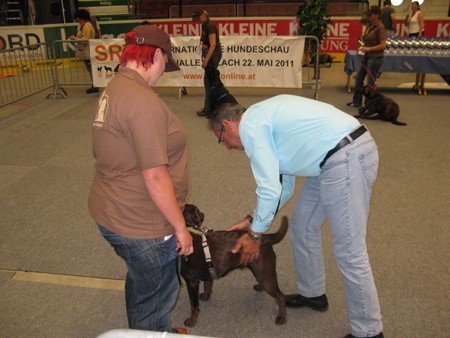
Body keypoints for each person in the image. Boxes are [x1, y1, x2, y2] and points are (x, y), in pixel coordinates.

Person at [209, 95, 384, 338]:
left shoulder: (251, 127)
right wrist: (252, 219)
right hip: (332, 158)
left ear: (227, 125)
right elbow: (283, 188)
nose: (228, 147)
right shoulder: (261, 119)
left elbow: (269, 189)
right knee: (302, 227)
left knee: (350, 251)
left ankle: (369, 332)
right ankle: (313, 294)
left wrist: (255, 235)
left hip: (346, 156)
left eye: (222, 140)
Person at [88, 25, 193, 333]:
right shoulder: (142, 101)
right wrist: (180, 229)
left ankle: (143, 327)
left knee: (142, 282)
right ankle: (149, 330)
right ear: (156, 55)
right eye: (165, 63)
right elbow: (155, 176)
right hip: (142, 222)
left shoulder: (116, 87)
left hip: (112, 209)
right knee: (157, 295)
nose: (163, 71)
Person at [347, 6, 386, 110]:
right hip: (366, 57)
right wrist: (361, 48)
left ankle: (369, 105)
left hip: (375, 58)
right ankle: (356, 102)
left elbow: (383, 45)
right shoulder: (370, 25)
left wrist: (368, 49)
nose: (368, 16)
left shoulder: (380, 27)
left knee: (370, 83)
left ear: (377, 15)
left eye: (370, 14)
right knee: (359, 78)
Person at [192, 8, 222, 118]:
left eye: (198, 18)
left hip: (213, 56)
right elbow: (209, 43)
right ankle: (211, 106)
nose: (197, 21)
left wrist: (206, 60)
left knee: (208, 82)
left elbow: (213, 45)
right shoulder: (204, 25)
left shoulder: (210, 26)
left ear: (203, 15)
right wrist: (204, 45)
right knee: (210, 82)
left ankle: (209, 108)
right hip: (211, 55)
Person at [69, 9, 99, 94]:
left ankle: (95, 85)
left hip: (88, 51)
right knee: (90, 69)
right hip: (86, 51)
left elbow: (85, 39)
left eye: (77, 18)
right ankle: (95, 85)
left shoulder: (86, 26)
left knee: (91, 69)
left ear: (81, 17)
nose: (76, 20)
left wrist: (75, 38)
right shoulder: (84, 26)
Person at [405, 1, 426, 95]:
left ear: (417, 6)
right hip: (411, 33)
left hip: (418, 33)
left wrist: (420, 34)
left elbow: (422, 24)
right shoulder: (410, 14)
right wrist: (406, 18)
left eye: (414, 5)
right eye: (412, 5)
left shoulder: (419, 13)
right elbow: (406, 24)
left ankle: (420, 84)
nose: (412, 6)